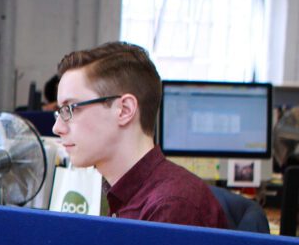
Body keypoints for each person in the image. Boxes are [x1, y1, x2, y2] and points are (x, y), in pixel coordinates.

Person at [53, 42, 228, 228]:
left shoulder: (170, 208)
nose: (57, 127)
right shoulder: (122, 195)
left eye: (70, 109)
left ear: (124, 110)